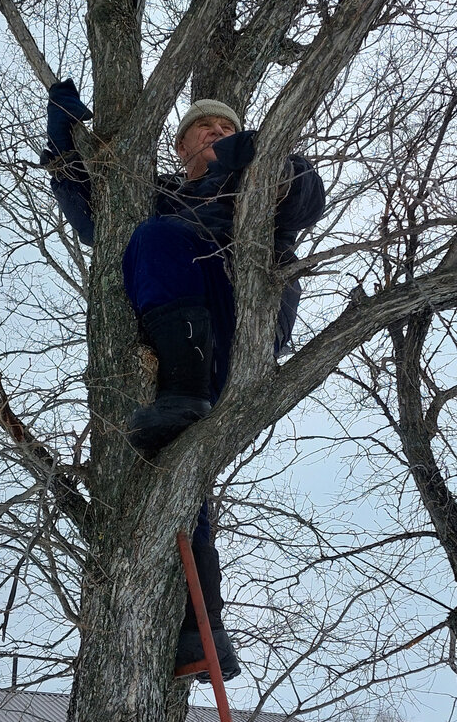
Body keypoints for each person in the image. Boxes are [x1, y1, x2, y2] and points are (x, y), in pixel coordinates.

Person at [42, 80, 326, 680]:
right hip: (187, 342)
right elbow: (96, 219)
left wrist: (255, 153)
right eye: (206, 129)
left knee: (160, 238)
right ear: (180, 146)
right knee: (178, 467)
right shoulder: (166, 194)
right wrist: (64, 143)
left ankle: (185, 395)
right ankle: (204, 632)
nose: (219, 134)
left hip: (241, 315)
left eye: (227, 127)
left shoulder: (260, 172)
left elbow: (304, 195)